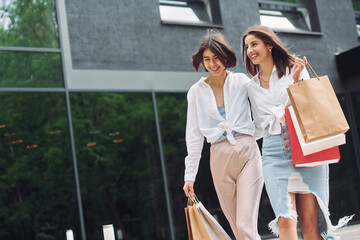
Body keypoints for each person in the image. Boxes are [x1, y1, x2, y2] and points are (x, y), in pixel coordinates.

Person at [241, 25, 353, 240]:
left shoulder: (294, 70)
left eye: (254, 44)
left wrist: (296, 81)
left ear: (269, 44)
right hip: (273, 153)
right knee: (285, 219)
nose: (250, 50)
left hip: (305, 147)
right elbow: (257, 126)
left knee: (309, 222)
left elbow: (310, 106)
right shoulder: (251, 86)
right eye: (246, 46)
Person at [182, 29, 264, 240]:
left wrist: (249, 137)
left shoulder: (242, 82)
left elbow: (261, 114)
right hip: (219, 158)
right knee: (237, 226)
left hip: (248, 154)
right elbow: (193, 135)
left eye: (216, 58)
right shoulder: (196, 91)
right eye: (207, 59)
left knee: (246, 223)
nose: (212, 64)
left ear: (225, 56)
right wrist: (189, 175)